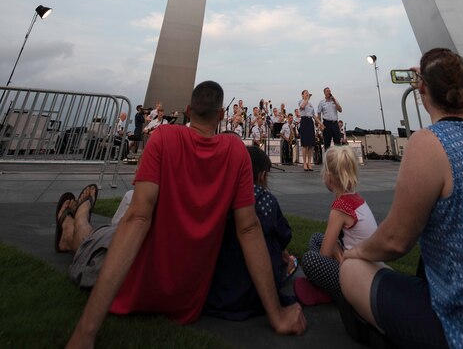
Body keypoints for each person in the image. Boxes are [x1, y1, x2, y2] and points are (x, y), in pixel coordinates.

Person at [59, 81, 306, 346]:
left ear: (188, 110)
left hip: (131, 281)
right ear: (222, 115)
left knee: (92, 238)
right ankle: (75, 221)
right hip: (186, 299)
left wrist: (85, 333)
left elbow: (138, 218)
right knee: (103, 235)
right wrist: (277, 315)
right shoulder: (236, 153)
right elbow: (249, 229)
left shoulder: (163, 138)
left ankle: (73, 225)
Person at [339, 48, 463, 348]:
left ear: (421, 88)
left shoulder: (428, 143)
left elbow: (395, 241)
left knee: (351, 271)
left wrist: (356, 253)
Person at [204, 145, 297, 320]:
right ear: (262, 176)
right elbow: (284, 234)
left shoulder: (224, 197)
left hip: (223, 285)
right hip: (258, 289)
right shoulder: (267, 200)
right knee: (291, 261)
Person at [300, 146, 377, 302]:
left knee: (310, 260)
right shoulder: (356, 199)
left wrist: (334, 248)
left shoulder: (340, 208)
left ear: (328, 177)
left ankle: (333, 293)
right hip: (366, 266)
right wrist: (335, 247)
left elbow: (324, 255)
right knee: (316, 238)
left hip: (357, 277)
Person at [298, 90, 323, 171]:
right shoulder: (301, 101)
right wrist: (306, 99)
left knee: (311, 144)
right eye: (306, 93)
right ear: (302, 95)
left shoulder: (311, 104)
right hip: (304, 121)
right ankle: (304, 163)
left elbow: (314, 116)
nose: (307, 94)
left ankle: (309, 162)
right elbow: (302, 107)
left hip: (310, 122)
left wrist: (320, 123)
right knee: (305, 144)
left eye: (308, 93)